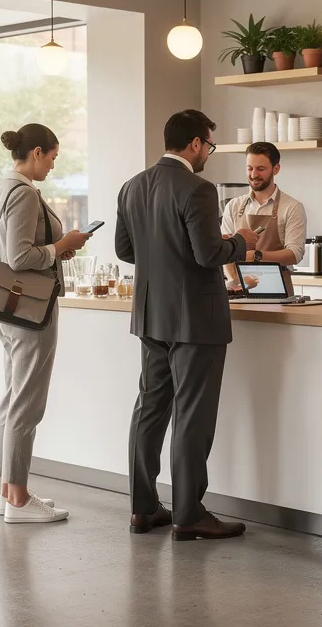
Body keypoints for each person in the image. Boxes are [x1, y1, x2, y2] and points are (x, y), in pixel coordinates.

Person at [116, 109, 258, 541]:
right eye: (208, 146)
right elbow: (207, 254)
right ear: (195, 143)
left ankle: (143, 509)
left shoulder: (132, 186)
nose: (208, 155)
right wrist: (242, 244)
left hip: (150, 314)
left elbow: (125, 250)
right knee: (192, 416)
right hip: (196, 318)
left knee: (150, 409)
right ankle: (188, 514)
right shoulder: (197, 188)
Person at [0, 123, 89, 524]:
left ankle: (9, 492)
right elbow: (19, 257)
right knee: (27, 404)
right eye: (51, 156)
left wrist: (53, 250)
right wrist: (61, 246)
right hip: (31, 309)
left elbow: (21, 251)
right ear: (35, 153)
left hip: (12, 308)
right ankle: (18, 499)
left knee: (15, 397)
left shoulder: (5, 188)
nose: (52, 164)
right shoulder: (25, 194)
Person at [219, 141, 308, 285]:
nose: (254, 174)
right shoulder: (233, 206)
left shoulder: (292, 207)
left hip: (278, 288)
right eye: (250, 168)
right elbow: (224, 251)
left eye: (260, 169)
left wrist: (256, 256)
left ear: (276, 169)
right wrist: (233, 282)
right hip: (239, 285)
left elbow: (295, 254)